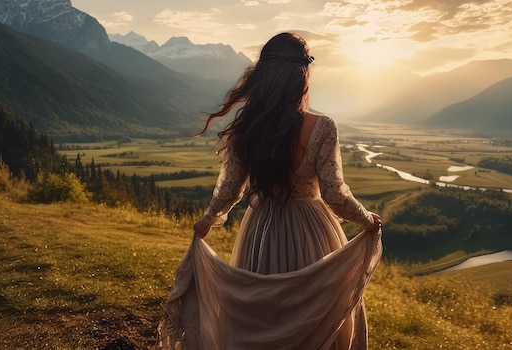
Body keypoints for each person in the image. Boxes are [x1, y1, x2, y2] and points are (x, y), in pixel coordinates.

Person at [158, 32, 382, 350]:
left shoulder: (249, 127)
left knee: (263, 315)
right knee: (312, 314)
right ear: (301, 76)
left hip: (260, 229)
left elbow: (229, 189)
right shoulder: (322, 127)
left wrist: (208, 219)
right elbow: (334, 193)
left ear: (263, 78)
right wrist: (367, 220)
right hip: (311, 231)